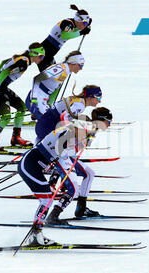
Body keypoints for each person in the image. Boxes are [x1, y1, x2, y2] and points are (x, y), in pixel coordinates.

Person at [17, 107, 113, 246]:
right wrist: (56, 161)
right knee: (47, 200)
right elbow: (61, 143)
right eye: (108, 121)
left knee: (47, 199)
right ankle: (36, 234)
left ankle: (36, 234)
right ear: (102, 120)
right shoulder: (84, 127)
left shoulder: (87, 128)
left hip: (37, 162)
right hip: (31, 163)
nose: (109, 125)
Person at [33, 85, 104, 218]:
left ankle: (56, 183)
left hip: (44, 126)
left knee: (67, 157)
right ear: (90, 97)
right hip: (47, 130)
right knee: (63, 156)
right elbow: (65, 117)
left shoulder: (78, 100)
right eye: (98, 97)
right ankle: (57, 186)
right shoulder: (80, 105)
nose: (99, 101)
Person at [0, 43, 45, 151]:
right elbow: (5, 72)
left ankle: (16, 138)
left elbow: (3, 63)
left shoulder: (23, 59)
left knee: (21, 107)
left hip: (1, 87)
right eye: (41, 56)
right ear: (34, 54)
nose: (42, 59)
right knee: (6, 116)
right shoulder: (23, 62)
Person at [25, 51, 84, 121]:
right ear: (73, 63)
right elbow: (37, 79)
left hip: (44, 98)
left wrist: (49, 104)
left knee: (53, 119)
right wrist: (34, 101)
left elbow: (53, 89)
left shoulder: (66, 72)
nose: (81, 68)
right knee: (49, 122)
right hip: (35, 98)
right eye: (80, 65)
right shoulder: (59, 69)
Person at [37, 4, 91, 72]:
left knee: (55, 75)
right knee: (51, 77)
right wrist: (81, 32)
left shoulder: (73, 25)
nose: (84, 26)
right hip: (45, 53)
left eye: (86, 24)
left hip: (49, 53)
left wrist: (84, 29)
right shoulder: (68, 23)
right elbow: (65, 35)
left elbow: (73, 31)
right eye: (85, 24)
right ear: (78, 20)